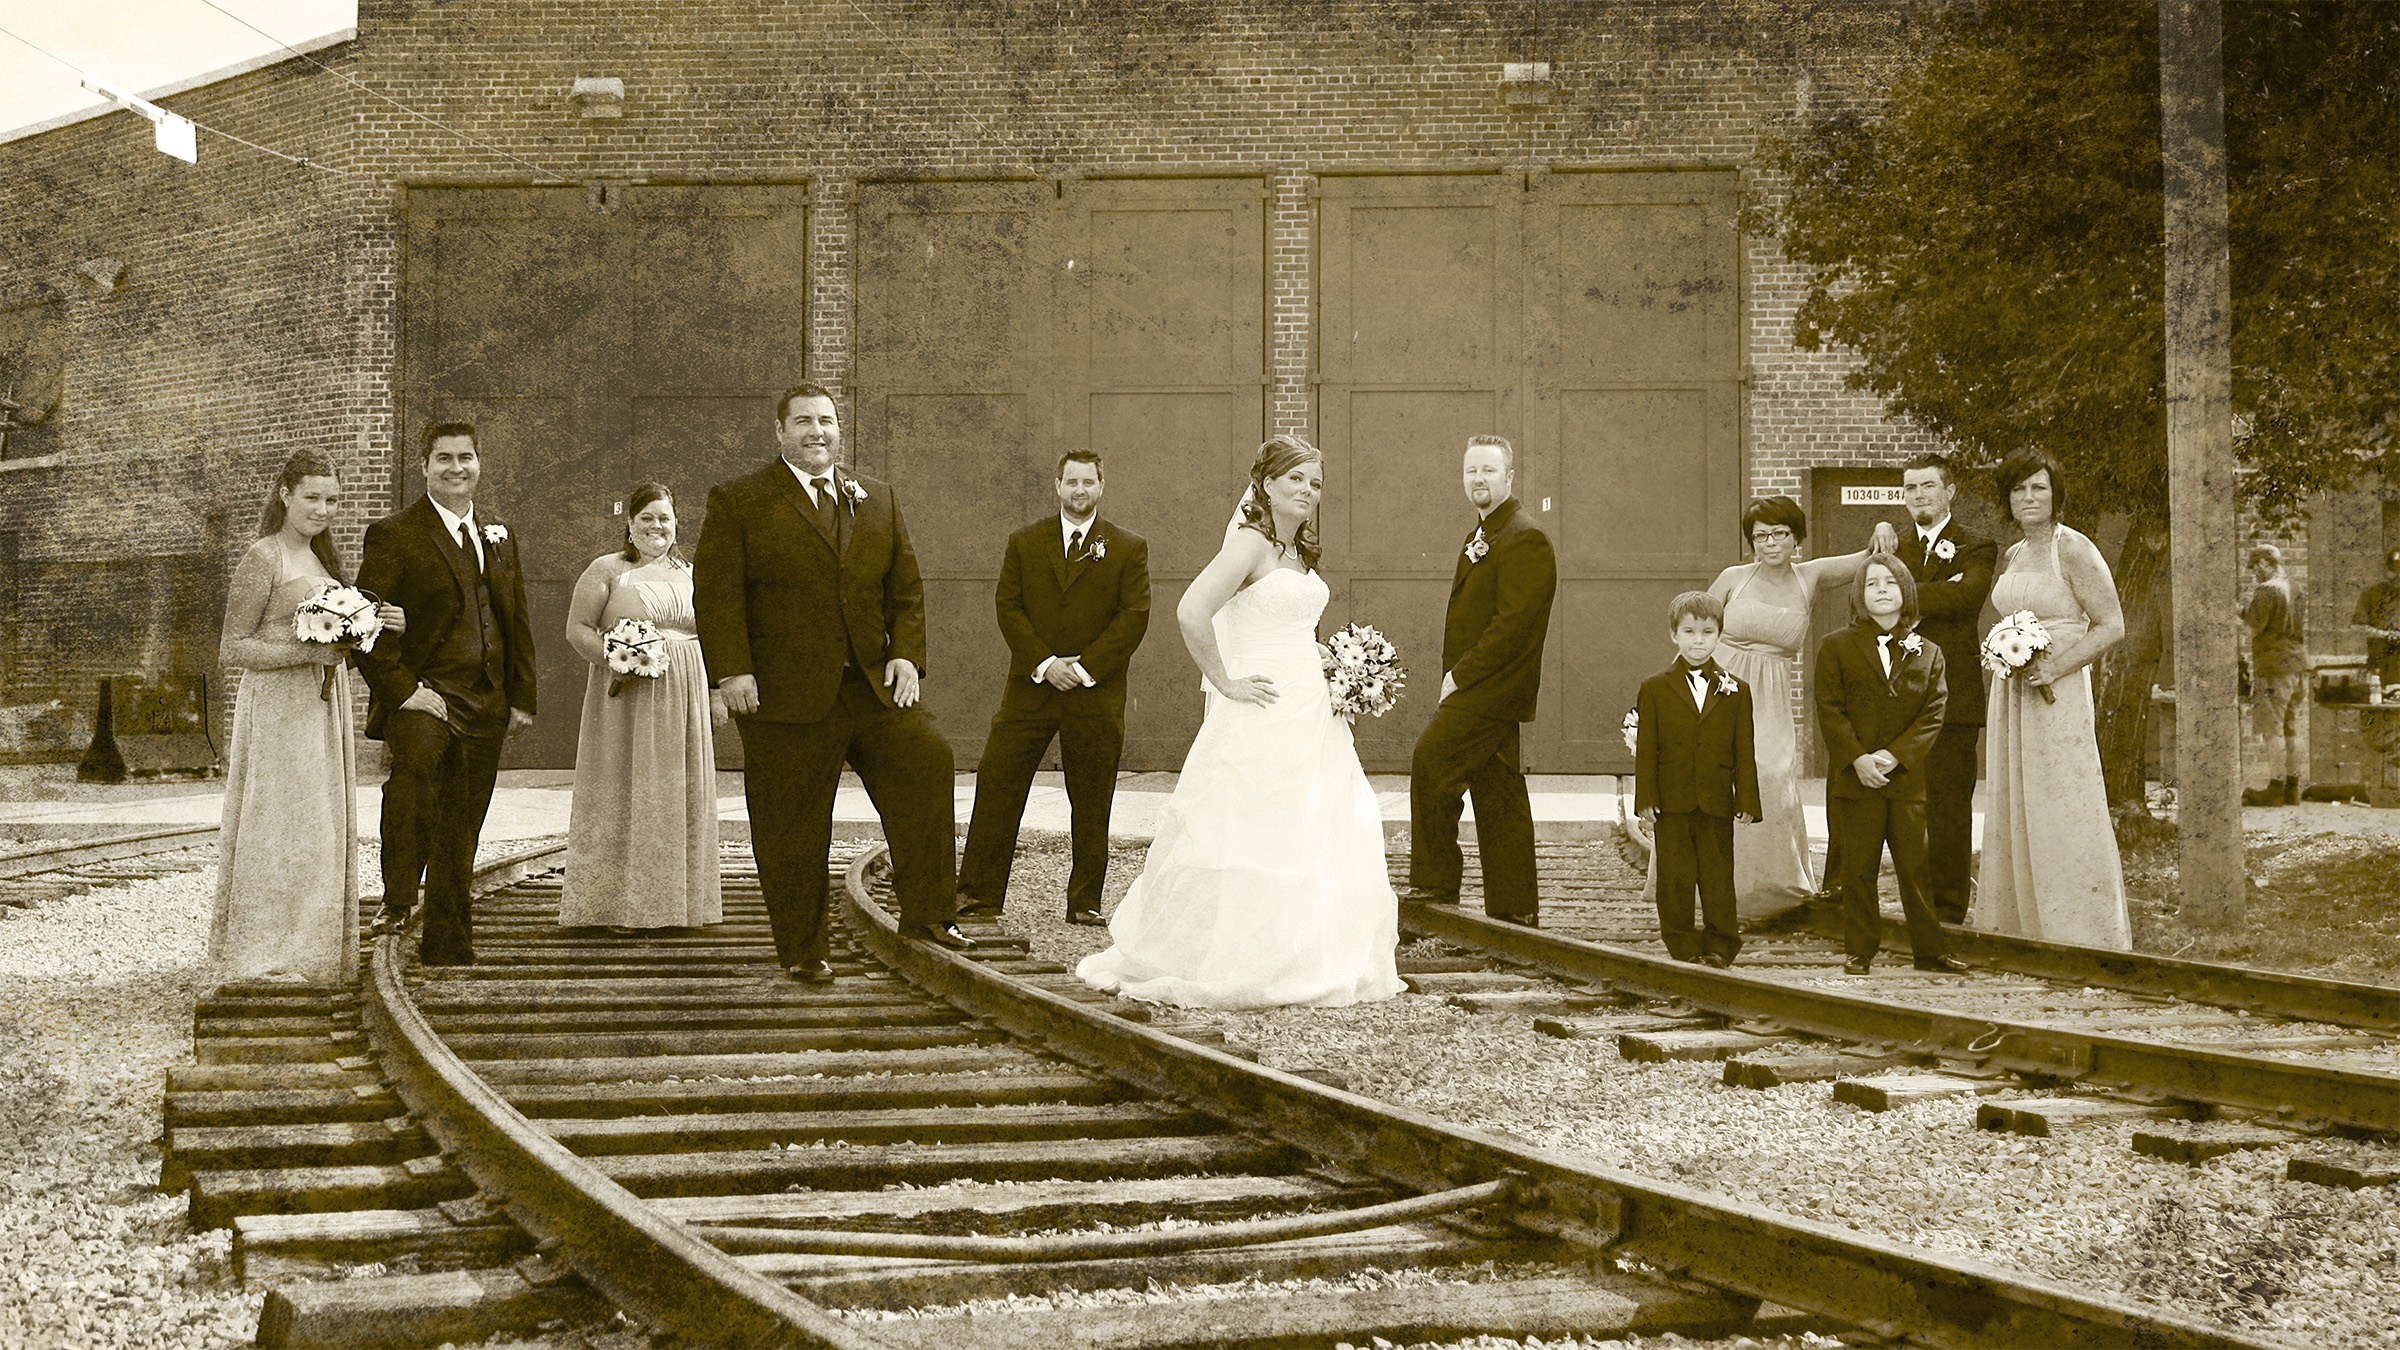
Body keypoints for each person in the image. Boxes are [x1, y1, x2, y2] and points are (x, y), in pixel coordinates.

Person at [1077, 435, 1404, 1008]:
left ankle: (1305, 954)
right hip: (1262, 709)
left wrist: (1332, 662)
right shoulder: (1249, 544)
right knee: (1253, 828)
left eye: (1316, 483)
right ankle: (1240, 960)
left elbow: (1284, 624)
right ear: (1268, 484)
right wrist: (1226, 681)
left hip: (1312, 711)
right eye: (1296, 478)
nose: (1308, 491)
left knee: (1313, 828)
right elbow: (1191, 610)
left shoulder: (1297, 551)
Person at [693, 383, 970, 984]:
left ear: (839, 428)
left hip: (871, 687)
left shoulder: (878, 497)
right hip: (783, 696)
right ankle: (803, 948)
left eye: (826, 420)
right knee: (791, 825)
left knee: (928, 761)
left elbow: (905, 587)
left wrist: (907, 657)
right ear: (780, 431)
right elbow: (716, 593)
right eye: (802, 421)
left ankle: (930, 917)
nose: (816, 431)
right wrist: (732, 671)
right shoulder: (739, 500)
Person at [212, 451, 405, 983]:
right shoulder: (264, 556)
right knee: (279, 823)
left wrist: (376, 626)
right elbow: (233, 647)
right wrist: (307, 653)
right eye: (312, 497)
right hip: (278, 707)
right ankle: (265, 953)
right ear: (285, 495)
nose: (323, 509)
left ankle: (312, 951)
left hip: (322, 706)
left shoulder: (323, 560)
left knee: (318, 826)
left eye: (332, 500)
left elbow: (336, 644)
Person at [355, 423, 537, 967]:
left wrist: (521, 696)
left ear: (479, 463)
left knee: (463, 821)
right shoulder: (394, 533)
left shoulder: (499, 534)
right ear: (425, 466)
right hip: (425, 694)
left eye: (466, 457)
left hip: (486, 697)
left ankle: (448, 943)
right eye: (444, 458)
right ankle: (398, 893)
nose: (456, 468)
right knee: (414, 777)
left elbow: (513, 618)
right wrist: (402, 692)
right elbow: (362, 624)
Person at [957, 449, 1151, 926]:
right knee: (998, 782)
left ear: (1101, 486)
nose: (1079, 490)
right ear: (1057, 485)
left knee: (1092, 797)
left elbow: (1133, 617)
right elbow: (1009, 607)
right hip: (1031, 689)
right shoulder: (1024, 542)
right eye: (1072, 482)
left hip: (1095, 691)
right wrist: (1046, 665)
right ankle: (978, 895)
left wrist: (1084, 670)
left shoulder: (1128, 547)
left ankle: (1084, 902)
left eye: (1088, 482)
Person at [1679, 497, 1895, 924]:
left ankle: (1765, 893)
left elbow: (1871, 557)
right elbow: (1693, 633)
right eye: (1760, 535)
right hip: (1719, 685)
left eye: (1780, 533)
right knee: (1714, 778)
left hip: (1771, 695)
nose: (1770, 543)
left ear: (1797, 538)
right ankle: (1708, 890)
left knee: (1770, 777)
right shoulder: (1733, 578)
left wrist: (1884, 525)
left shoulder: (1810, 576)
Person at [1969, 447, 2130, 949]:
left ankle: (2079, 928)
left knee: (2061, 796)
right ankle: (2021, 924)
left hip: (2058, 689)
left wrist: (2056, 667)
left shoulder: (2074, 548)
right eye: (2018, 489)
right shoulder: (2014, 553)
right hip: (2013, 691)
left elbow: (2112, 625)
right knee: (2018, 796)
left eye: (2038, 487)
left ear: (2056, 494)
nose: (2028, 497)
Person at [1403, 434, 1557, 926]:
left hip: (1490, 689)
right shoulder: (1486, 532)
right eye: (1471, 470)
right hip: (1483, 688)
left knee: (1431, 761)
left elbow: (1514, 626)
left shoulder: (1524, 536)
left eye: (1489, 470)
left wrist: (1460, 677)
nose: (1478, 479)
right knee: (1499, 792)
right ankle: (1516, 913)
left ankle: (1435, 888)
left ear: (1509, 477)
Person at [559, 483, 727, 934]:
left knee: (677, 791)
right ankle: (621, 907)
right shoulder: (608, 569)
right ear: (630, 524)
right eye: (646, 518)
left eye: (664, 518)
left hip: (686, 694)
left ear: (677, 524)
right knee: (628, 787)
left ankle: (680, 905)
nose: (657, 526)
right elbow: (578, 628)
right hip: (627, 698)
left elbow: (714, 635)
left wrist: (715, 692)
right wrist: (617, 659)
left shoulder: (692, 573)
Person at [1814, 555, 1967, 975]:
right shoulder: (1836, 646)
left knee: (1916, 869)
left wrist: (1895, 756)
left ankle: (1930, 952)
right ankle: (1860, 951)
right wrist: (1857, 758)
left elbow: (1933, 713)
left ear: (1906, 592)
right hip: (1856, 778)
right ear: (1859, 596)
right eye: (1871, 583)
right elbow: (1829, 708)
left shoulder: (1929, 653)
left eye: (1890, 582)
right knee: (1858, 869)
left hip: (1905, 780)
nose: (1881, 589)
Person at [1892, 455, 1998, 922]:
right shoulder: (1893, 547)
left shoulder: (1977, 545)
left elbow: (1966, 598)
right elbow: (1871, 602)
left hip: (1954, 696)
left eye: (1928, 486)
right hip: (1898, 696)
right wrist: (1937, 592)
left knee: (1950, 807)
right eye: (1910, 488)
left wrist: (1901, 594)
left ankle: (1949, 912)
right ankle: (1913, 908)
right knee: (1904, 808)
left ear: (1950, 491)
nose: (1919, 496)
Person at [1634, 591, 1761, 967]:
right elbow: (1647, 749)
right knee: (1675, 877)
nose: (1698, 641)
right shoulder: (1654, 688)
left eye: (1707, 632)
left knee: (1718, 874)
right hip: (1671, 800)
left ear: (1719, 635)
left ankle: (1721, 944)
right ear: (1674, 634)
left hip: (1716, 799)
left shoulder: (1736, 690)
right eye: (1689, 632)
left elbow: (1743, 749)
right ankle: (1683, 945)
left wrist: (1747, 799)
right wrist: (1645, 799)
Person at [2241, 542, 2309, 807]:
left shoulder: (2266, 591)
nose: (2254, 573)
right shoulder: (2296, 587)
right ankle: (2292, 790)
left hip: (2273, 666)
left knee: (2272, 730)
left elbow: (2251, 629)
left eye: (2255, 567)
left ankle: (2275, 790)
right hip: (2298, 664)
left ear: (2264, 563)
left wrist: (2233, 618)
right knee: (2292, 728)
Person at [2352, 547, 2400, 688]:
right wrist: (2383, 634)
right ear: (2387, 569)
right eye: (2394, 570)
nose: (2398, 575)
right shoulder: (2372, 594)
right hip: (2382, 664)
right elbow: (2356, 626)